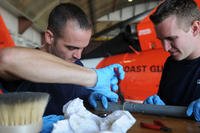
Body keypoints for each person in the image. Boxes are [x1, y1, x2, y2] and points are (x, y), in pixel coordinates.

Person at [0, 3, 125, 115]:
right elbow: (6, 59)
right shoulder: (27, 63)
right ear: (49, 37)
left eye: (83, 48)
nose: (78, 55)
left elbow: (74, 99)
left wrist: (90, 97)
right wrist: (93, 77)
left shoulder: (77, 64)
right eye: (71, 47)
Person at [143, 0, 200, 121]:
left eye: (171, 38)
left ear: (195, 29)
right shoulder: (171, 63)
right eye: (161, 40)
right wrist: (159, 109)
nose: (166, 48)